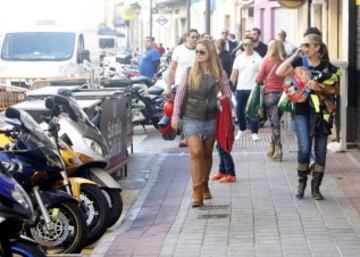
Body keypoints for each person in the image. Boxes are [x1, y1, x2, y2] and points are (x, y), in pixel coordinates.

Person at [276, 34, 341, 200]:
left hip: (322, 114)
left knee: (320, 152)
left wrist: (319, 87)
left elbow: (336, 91)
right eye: (302, 45)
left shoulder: (329, 69)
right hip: (302, 111)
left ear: (317, 48)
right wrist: (294, 55)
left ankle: (315, 188)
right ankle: (302, 182)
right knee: (304, 148)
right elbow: (279, 71)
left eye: (306, 45)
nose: (303, 48)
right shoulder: (299, 63)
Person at [171, 39, 233, 207]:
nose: (198, 55)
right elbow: (180, 96)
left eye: (202, 52)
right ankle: (196, 191)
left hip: (212, 118)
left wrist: (224, 103)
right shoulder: (189, 71)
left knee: (206, 154)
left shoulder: (219, 73)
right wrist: (175, 116)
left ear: (211, 53)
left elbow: (228, 95)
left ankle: (205, 184)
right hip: (191, 117)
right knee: (196, 152)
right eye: (196, 52)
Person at [165, 29, 199, 147]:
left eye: (196, 37)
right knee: (185, 111)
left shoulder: (200, 50)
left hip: (197, 85)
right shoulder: (179, 50)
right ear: (187, 38)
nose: (195, 39)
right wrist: (168, 87)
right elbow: (172, 69)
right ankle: (185, 136)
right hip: (181, 85)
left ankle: (193, 135)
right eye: (193, 37)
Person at [256, 40, 287, 161]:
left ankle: (278, 148)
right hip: (283, 96)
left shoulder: (266, 61)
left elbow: (259, 78)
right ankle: (272, 146)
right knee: (276, 122)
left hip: (270, 95)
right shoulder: (285, 62)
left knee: (275, 124)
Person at [230, 37, 263, 141]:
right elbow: (234, 74)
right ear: (242, 46)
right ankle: (242, 129)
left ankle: (254, 132)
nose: (247, 47)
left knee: (252, 111)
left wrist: (261, 87)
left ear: (253, 45)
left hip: (253, 88)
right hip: (240, 88)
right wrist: (230, 87)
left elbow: (262, 74)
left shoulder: (258, 58)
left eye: (249, 44)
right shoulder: (238, 58)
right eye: (245, 45)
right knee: (239, 111)